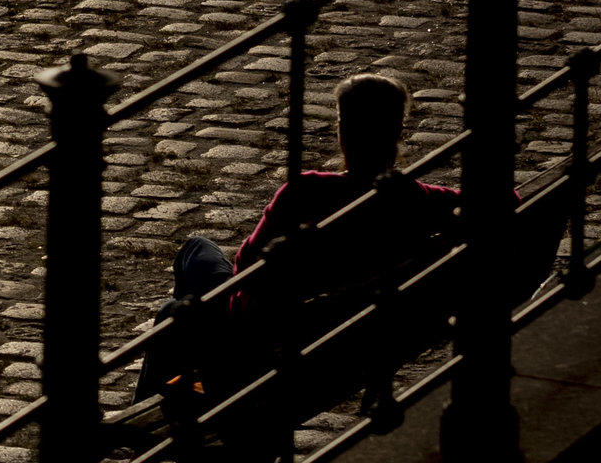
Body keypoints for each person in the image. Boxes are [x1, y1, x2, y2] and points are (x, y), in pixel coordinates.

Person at [141, 75, 464, 442]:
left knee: (190, 266)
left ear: (343, 133)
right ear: (397, 132)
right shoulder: (414, 200)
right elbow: (509, 200)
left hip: (260, 339)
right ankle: (188, 385)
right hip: (337, 348)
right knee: (189, 287)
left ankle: (158, 413)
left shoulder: (307, 191)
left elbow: (245, 273)